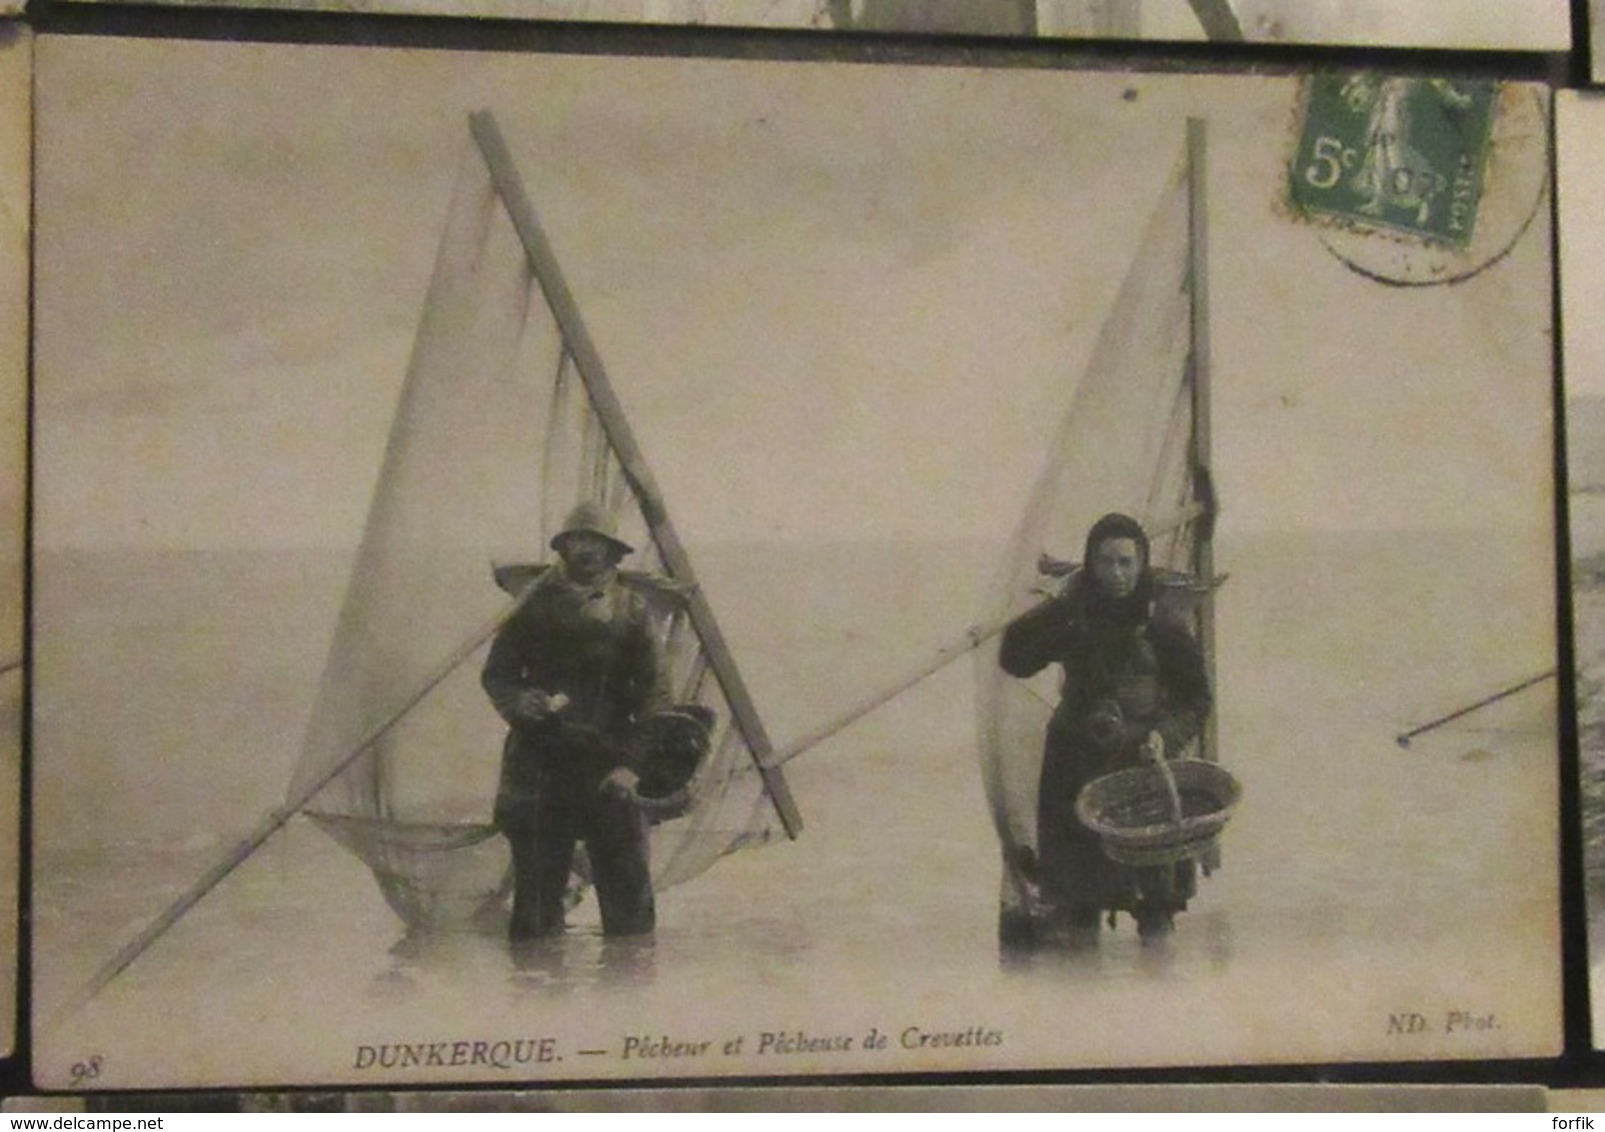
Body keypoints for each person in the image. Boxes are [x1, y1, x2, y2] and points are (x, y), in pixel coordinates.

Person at [998, 512, 1211, 945]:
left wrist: (1163, 736)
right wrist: (1051, 610)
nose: (1117, 574)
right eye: (1106, 562)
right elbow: (1015, 661)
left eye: (1126, 562)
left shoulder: (1163, 623)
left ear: (1141, 564)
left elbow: (1196, 701)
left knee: (1155, 912)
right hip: (1074, 768)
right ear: (1090, 566)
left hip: (1143, 768)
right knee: (1078, 910)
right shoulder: (1074, 615)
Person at [482, 501, 671, 941]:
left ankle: (628, 996)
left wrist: (632, 767)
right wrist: (517, 702)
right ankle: (538, 994)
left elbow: (655, 698)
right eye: (577, 540)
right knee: (535, 911)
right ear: (563, 548)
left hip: (608, 767)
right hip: (540, 763)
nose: (586, 549)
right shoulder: (531, 606)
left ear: (614, 552)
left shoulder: (633, 611)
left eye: (597, 542)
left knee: (629, 909)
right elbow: (497, 674)